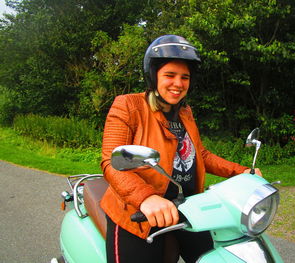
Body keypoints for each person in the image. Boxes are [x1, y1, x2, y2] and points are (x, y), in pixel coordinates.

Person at [100, 35, 262, 263]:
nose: (178, 83)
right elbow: (111, 161)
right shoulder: (128, 105)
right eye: (170, 75)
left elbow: (201, 155)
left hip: (188, 207)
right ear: (153, 75)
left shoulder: (185, 112)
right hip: (138, 213)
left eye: (184, 77)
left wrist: (241, 172)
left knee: (217, 256)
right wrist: (146, 198)